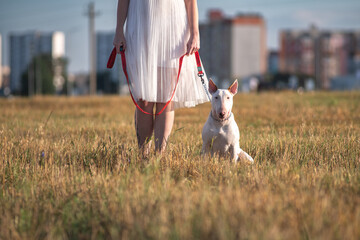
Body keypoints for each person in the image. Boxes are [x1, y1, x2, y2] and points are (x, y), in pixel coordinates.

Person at [113, 0, 209, 154]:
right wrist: (119, 31)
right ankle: (143, 155)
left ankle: (159, 156)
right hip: (141, 27)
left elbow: (191, 1)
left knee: (166, 98)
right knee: (144, 99)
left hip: (173, 28)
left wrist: (195, 33)